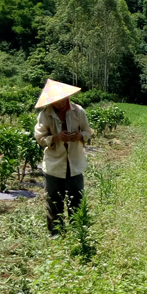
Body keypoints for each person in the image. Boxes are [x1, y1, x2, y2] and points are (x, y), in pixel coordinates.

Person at [33, 79, 93, 235]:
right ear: (52, 102)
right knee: (54, 200)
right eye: (58, 100)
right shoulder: (45, 115)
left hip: (75, 163)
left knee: (77, 199)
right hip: (54, 164)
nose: (62, 102)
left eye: (64, 98)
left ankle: (77, 231)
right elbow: (40, 138)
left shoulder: (78, 111)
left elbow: (88, 132)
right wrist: (56, 138)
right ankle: (55, 233)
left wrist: (79, 136)